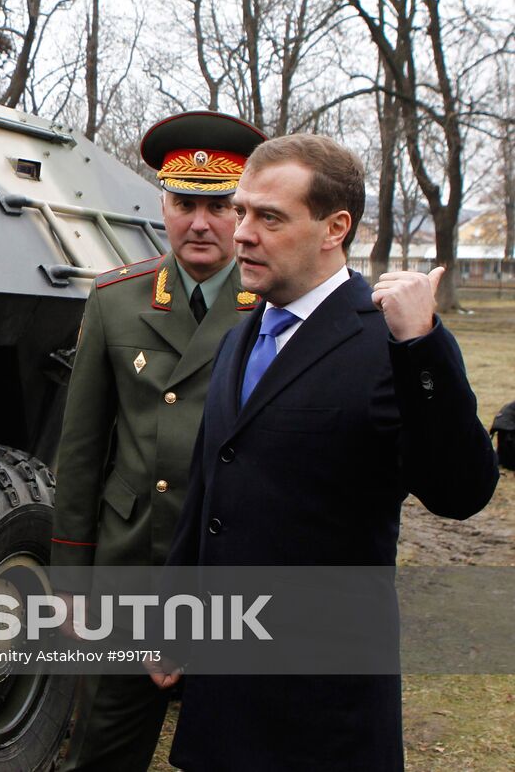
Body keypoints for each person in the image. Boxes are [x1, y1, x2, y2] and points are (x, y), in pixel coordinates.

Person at [156, 133, 498, 771]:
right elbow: (209, 487)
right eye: (242, 212)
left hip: (319, 706)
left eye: (270, 217)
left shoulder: (388, 343)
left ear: (334, 227)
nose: (242, 234)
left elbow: (461, 492)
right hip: (225, 694)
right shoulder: (240, 335)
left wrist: (422, 345)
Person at [49, 112, 266, 770]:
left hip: (231, 575)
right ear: (162, 205)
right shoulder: (117, 300)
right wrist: (69, 580)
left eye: (218, 204)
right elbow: (82, 450)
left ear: (242, 210)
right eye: (184, 203)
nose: (199, 221)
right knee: (103, 748)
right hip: (129, 567)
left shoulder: (274, 305)